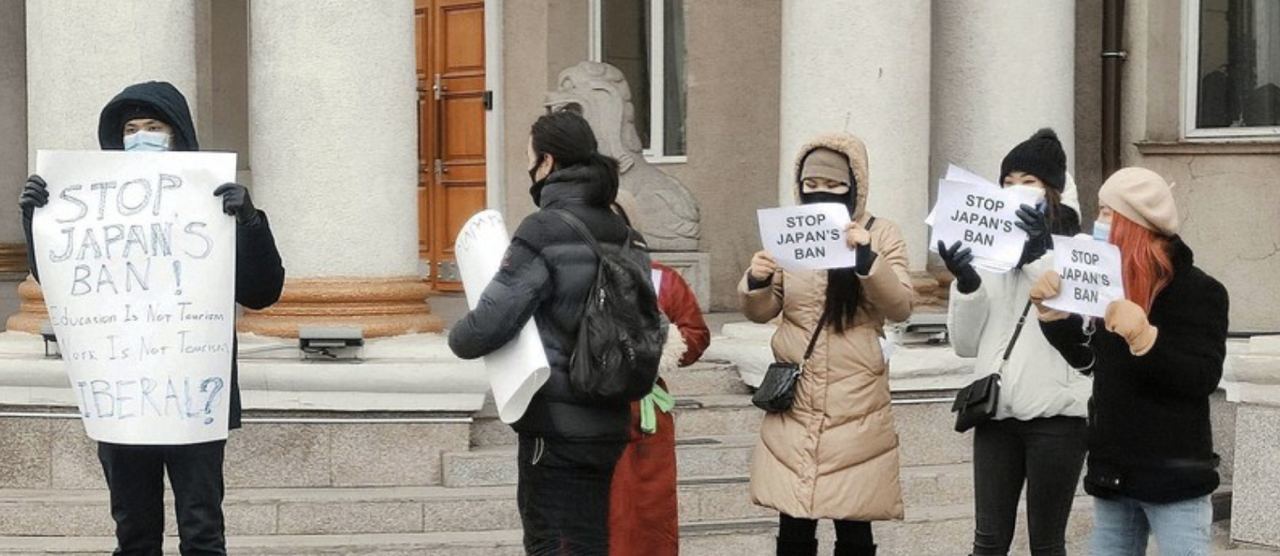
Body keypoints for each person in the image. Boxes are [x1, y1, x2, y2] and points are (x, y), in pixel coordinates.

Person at [16, 81, 285, 556]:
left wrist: (248, 223)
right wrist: (38, 221)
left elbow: (263, 291)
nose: (141, 135)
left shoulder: (216, 204)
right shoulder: (96, 209)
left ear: (178, 134)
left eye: (154, 127)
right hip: (122, 392)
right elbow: (65, 282)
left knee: (202, 529)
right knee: (134, 530)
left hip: (192, 393)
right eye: (131, 129)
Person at [448, 110, 657, 555]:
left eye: (530, 157)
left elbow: (490, 323)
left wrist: (458, 335)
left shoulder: (543, 229)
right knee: (589, 540)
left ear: (547, 162)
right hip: (611, 413)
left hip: (555, 422)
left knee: (553, 543)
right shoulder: (626, 234)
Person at [1031, 167, 1228, 555]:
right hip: (1114, 472)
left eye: (1107, 213)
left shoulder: (1200, 291)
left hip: (1175, 478)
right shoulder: (1108, 281)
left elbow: (1201, 377)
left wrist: (1147, 339)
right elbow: (1091, 363)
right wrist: (1053, 319)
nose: (1097, 222)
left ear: (1135, 223)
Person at [740, 132, 914, 556]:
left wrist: (866, 260)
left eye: (835, 186)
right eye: (811, 185)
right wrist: (757, 279)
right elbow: (763, 310)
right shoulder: (791, 230)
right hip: (797, 398)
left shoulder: (882, 233)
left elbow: (901, 304)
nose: (821, 193)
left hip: (856, 400)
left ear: (855, 185)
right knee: (793, 518)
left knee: (853, 521)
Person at [937, 129, 1091, 556]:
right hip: (995, 414)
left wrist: (1039, 252)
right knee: (987, 542)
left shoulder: (1079, 249)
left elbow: (1080, 327)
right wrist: (967, 284)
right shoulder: (991, 254)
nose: (1015, 191)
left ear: (1054, 191)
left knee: (1046, 544)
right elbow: (966, 345)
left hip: (1057, 419)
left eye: (1029, 182)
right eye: (1007, 182)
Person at [608, 191, 712, 556]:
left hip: (645, 417)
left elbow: (695, 334)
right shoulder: (569, 274)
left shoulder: (660, 279)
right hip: (588, 412)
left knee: (649, 516)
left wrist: (661, 347)